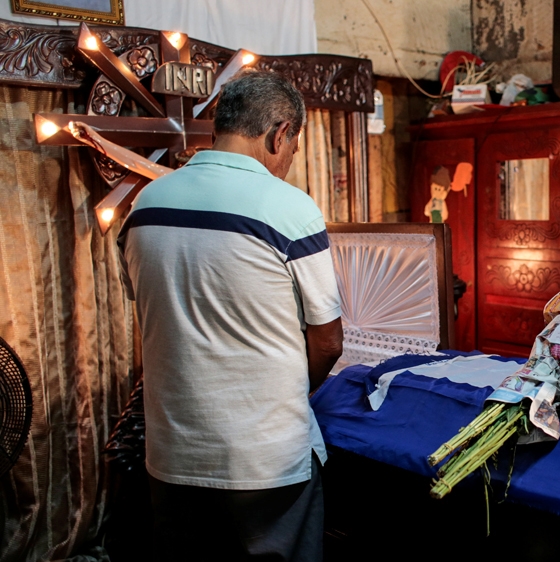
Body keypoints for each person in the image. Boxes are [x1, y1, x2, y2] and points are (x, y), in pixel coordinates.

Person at [118, 70, 343, 561]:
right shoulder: (289, 208)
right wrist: (284, 392)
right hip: (264, 461)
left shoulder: (145, 203)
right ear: (280, 133)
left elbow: (160, 311)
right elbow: (328, 342)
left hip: (172, 451)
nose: (289, 159)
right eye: (293, 146)